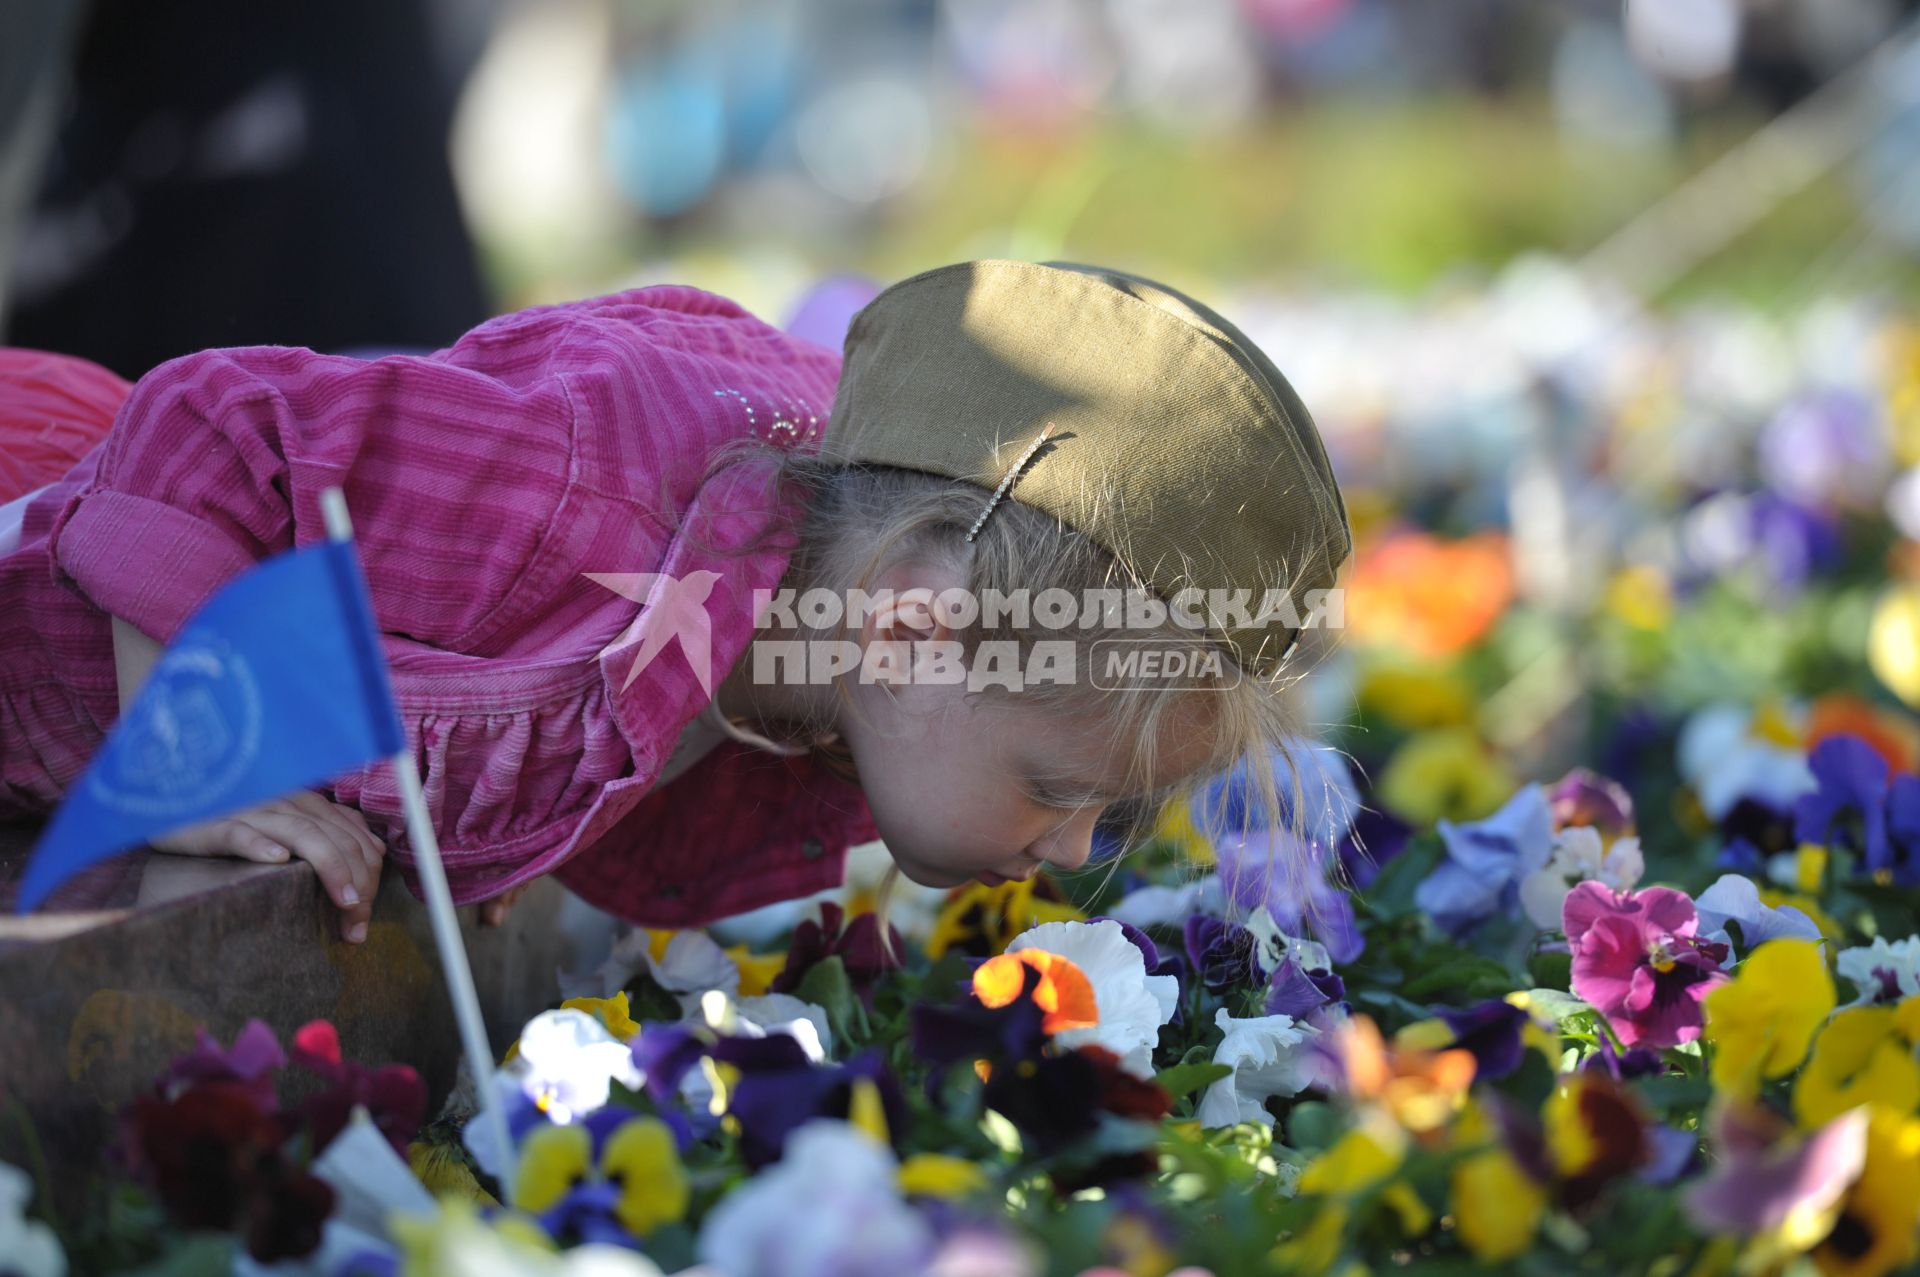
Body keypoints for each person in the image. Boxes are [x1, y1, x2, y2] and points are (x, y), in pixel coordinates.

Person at [0, 261, 1352, 946]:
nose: (1064, 847)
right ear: (908, 620)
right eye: (1061, 785)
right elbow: (213, 423)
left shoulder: (863, 519)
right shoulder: (584, 495)